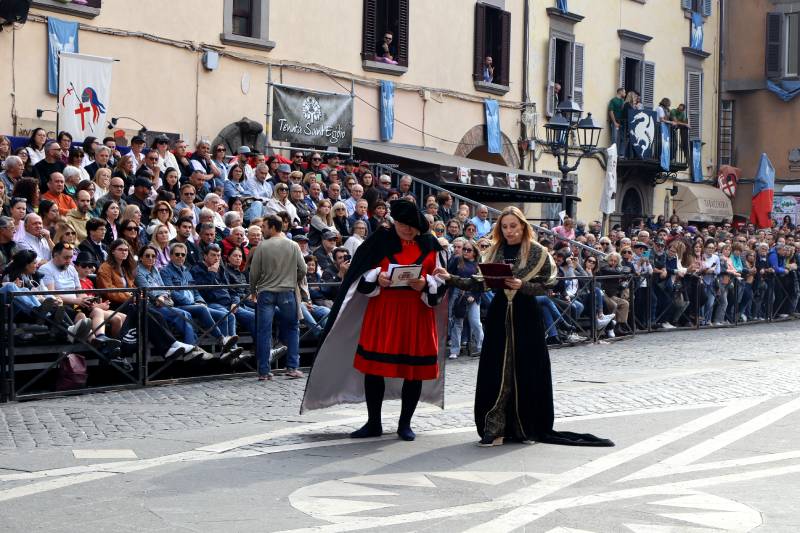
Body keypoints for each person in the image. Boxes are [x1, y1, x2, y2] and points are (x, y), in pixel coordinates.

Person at [435, 206, 613, 447]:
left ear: (522, 226)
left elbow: (547, 286)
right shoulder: (494, 251)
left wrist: (522, 285)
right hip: (499, 315)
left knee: (527, 369)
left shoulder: (538, 253)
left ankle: (526, 426)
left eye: (513, 226)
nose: (509, 231)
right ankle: (494, 427)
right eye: (505, 227)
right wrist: (450, 277)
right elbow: (478, 284)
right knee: (496, 370)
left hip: (526, 315)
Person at [302, 199, 448, 442]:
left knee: (414, 372)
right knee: (374, 369)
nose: (407, 230)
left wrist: (427, 284)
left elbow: (441, 278)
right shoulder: (380, 240)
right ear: (395, 222)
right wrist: (377, 277)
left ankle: (405, 424)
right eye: (403, 225)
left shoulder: (430, 244)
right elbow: (358, 274)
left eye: (412, 226)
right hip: (384, 312)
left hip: (416, 315)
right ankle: (374, 422)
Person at [249, 215, 307, 381]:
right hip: (287, 291)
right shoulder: (293, 245)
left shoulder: (262, 246)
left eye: (265, 227)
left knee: (264, 331)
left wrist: (253, 290)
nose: (262, 230)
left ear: (273, 227)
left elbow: (254, 273)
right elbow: (303, 269)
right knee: (292, 328)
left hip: (266, 292)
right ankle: (292, 367)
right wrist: (292, 279)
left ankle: (264, 371)